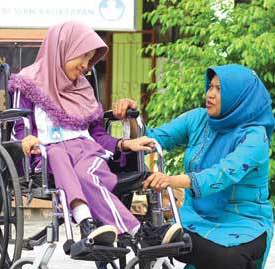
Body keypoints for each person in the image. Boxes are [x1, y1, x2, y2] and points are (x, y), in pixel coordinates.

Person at [10, 21, 182, 246]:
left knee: (86, 174)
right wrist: (26, 139)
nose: (86, 65)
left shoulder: (83, 87)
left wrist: (123, 144)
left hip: (86, 150)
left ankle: (94, 227)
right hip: (48, 153)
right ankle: (132, 230)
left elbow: (97, 133)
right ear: (63, 48)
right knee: (58, 156)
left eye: (90, 59)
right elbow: (18, 125)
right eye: (82, 56)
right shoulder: (28, 81)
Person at [114, 64, 273, 269]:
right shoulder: (198, 120)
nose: (209, 94)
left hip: (243, 224)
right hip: (196, 218)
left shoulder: (255, 136)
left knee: (226, 262)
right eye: (210, 87)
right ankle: (199, 263)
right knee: (166, 235)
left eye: (219, 89)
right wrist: (130, 119)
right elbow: (154, 139)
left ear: (239, 97)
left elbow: (224, 173)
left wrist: (171, 180)